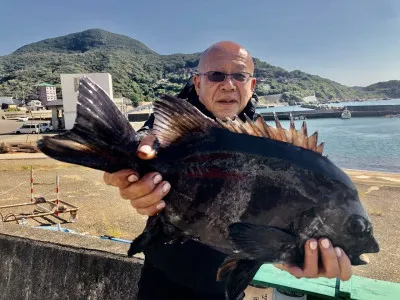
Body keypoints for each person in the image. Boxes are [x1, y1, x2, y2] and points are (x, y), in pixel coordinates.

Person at [104, 41, 352, 299]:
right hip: (164, 278)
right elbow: (151, 134)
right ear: (198, 83)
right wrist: (128, 164)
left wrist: (292, 251)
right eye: (216, 75)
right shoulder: (182, 124)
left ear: (251, 85)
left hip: (229, 288)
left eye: (239, 76)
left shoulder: (267, 145)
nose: (228, 84)